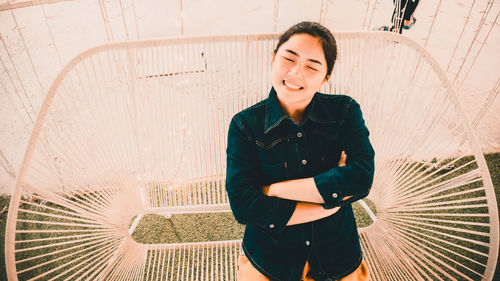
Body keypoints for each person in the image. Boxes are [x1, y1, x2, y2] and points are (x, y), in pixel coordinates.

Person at [225, 21, 375, 281]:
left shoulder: (345, 111)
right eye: (288, 58)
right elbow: (244, 206)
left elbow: (361, 178)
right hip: (270, 260)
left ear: (326, 76)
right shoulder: (244, 125)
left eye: (312, 66)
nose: (296, 73)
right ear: (273, 59)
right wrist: (330, 204)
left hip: (337, 256)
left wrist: (274, 190)